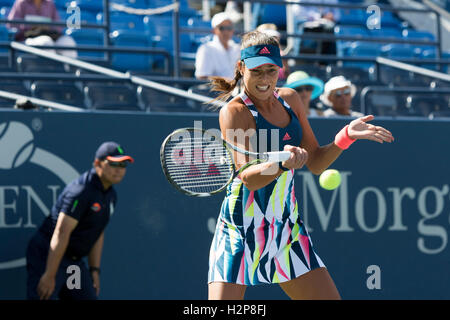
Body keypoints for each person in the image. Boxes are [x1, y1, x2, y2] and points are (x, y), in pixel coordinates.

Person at [207, 30, 394, 300]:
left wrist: (346, 137)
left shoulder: (291, 99)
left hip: (287, 228)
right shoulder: (234, 112)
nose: (265, 79)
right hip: (240, 230)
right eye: (257, 71)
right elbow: (248, 177)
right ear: (241, 68)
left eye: (271, 71)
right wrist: (281, 164)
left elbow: (316, 161)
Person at [26, 141, 134, 300]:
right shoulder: (81, 191)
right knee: (44, 296)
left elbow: (97, 232)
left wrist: (94, 270)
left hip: (72, 265)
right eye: (113, 164)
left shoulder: (110, 195)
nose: (119, 170)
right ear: (97, 164)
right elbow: (61, 233)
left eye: (123, 164)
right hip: (48, 257)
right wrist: (50, 275)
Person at [7, 0, 78, 58]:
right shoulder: (21, 3)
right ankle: (51, 71)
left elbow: (58, 26)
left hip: (50, 35)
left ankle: (72, 72)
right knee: (46, 42)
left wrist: (47, 27)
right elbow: (11, 24)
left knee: (68, 41)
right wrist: (30, 27)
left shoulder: (50, 3)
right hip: (28, 38)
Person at [195, 12, 240, 80]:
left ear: (232, 30)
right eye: (221, 28)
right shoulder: (206, 49)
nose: (226, 31)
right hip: (216, 90)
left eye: (229, 28)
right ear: (214, 30)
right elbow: (202, 77)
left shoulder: (237, 48)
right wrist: (226, 82)